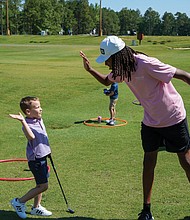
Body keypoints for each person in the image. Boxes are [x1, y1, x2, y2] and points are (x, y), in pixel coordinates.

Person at [80, 36, 190, 220]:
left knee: (186, 161)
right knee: (148, 163)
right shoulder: (121, 69)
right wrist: (90, 69)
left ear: (117, 56)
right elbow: (107, 81)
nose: (106, 64)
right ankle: (146, 211)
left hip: (173, 117)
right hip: (151, 120)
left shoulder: (146, 63)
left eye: (107, 60)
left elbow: (184, 75)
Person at [9, 96, 52, 219]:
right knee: (43, 186)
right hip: (36, 160)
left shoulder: (38, 119)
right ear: (28, 112)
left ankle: (36, 207)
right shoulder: (27, 125)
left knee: (40, 185)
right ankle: (19, 202)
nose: (41, 109)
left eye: (40, 106)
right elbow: (31, 137)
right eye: (37, 107)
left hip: (43, 156)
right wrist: (23, 121)